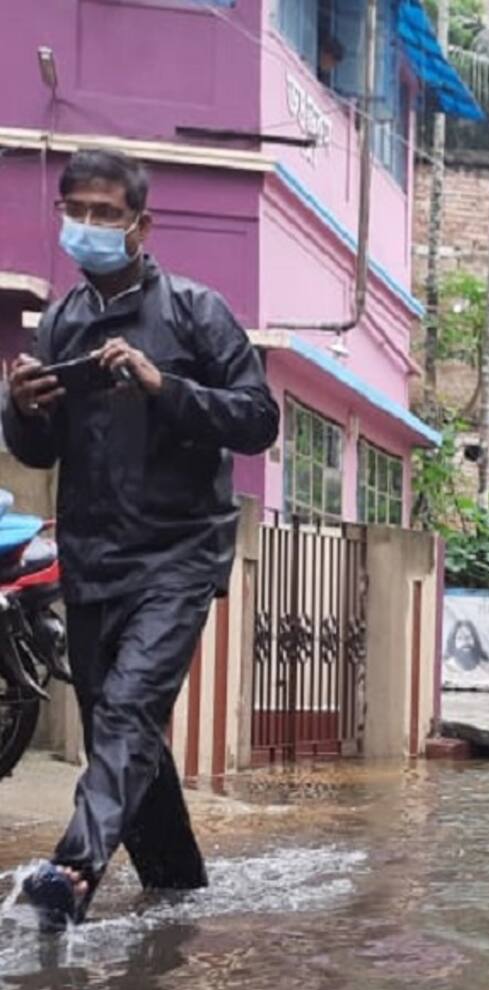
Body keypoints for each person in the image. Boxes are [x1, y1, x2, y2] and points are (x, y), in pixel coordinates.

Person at [3, 148, 281, 932]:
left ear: (141, 225)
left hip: (178, 559)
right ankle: (176, 888)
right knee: (121, 735)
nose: (88, 226)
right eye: (77, 211)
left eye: (106, 213)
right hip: (92, 561)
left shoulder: (198, 312)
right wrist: (20, 407)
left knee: (126, 712)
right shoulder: (60, 320)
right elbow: (40, 450)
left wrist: (166, 387)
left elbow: (259, 419)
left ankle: (69, 873)